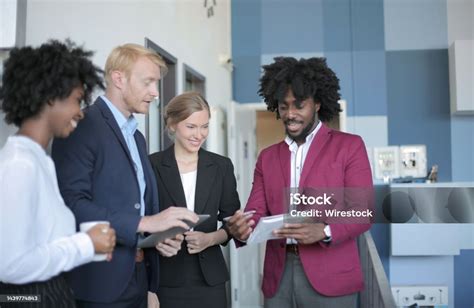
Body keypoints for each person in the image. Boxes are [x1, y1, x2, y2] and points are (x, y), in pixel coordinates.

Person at [52, 44, 199, 308]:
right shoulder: (82, 125)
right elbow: (70, 204)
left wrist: (158, 239)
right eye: (148, 82)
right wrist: (146, 223)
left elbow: (134, 203)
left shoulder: (137, 138)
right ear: (119, 78)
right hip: (99, 285)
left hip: (139, 280)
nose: (155, 93)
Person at [227, 57, 373, 307]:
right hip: (278, 276)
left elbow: (362, 211)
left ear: (317, 103)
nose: (290, 114)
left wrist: (324, 231)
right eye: (284, 107)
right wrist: (242, 228)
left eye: (299, 105)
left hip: (331, 276)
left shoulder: (349, 146)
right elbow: (257, 210)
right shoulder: (268, 157)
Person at [0, 39, 116, 307]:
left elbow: (41, 241)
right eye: (77, 100)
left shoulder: (40, 161)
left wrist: (90, 244)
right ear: (51, 96)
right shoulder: (20, 165)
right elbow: (11, 265)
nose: (81, 112)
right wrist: (85, 244)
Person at [149, 92, 240, 308]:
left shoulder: (221, 166)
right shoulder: (151, 165)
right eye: (191, 127)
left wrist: (210, 239)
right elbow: (141, 220)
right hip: (165, 280)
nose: (199, 135)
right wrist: (157, 239)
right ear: (172, 125)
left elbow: (233, 224)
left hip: (210, 282)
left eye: (205, 126)